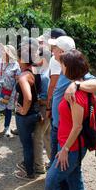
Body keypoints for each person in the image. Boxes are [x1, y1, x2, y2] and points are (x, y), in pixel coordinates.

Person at [48, 35, 96, 190]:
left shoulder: (75, 72)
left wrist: (76, 84)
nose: (52, 51)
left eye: (55, 49)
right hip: (58, 128)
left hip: (70, 137)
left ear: (63, 52)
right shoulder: (58, 64)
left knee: (55, 177)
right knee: (72, 176)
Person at [14, 38, 41, 180]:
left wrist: (23, 110)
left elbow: (28, 97)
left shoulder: (24, 76)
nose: (18, 61)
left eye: (19, 58)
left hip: (26, 115)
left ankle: (29, 172)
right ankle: (31, 168)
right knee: (31, 143)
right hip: (35, 113)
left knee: (27, 145)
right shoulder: (35, 70)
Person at [32, 46, 52, 174]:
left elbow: (46, 99)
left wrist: (37, 100)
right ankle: (53, 161)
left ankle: (39, 167)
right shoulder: (49, 72)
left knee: (37, 137)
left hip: (44, 109)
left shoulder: (44, 77)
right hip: (49, 110)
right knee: (47, 136)